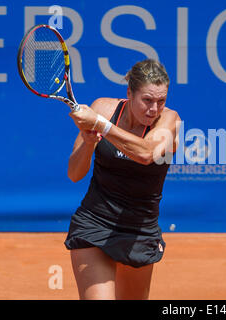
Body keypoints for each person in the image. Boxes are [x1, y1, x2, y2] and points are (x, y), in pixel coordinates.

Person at [64, 59, 180, 300]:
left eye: (161, 101)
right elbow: (74, 173)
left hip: (139, 230)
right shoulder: (104, 108)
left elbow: (146, 153)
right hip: (94, 222)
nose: (154, 109)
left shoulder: (170, 121)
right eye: (147, 100)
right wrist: (88, 143)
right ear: (129, 93)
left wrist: (100, 125)